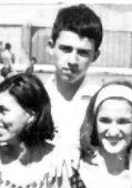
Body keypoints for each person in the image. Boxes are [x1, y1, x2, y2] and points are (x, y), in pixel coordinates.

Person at [45, 4, 103, 148]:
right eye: (66, 49)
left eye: (83, 52)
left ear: (95, 56)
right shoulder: (35, 97)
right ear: (51, 47)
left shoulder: (102, 101)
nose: (72, 61)